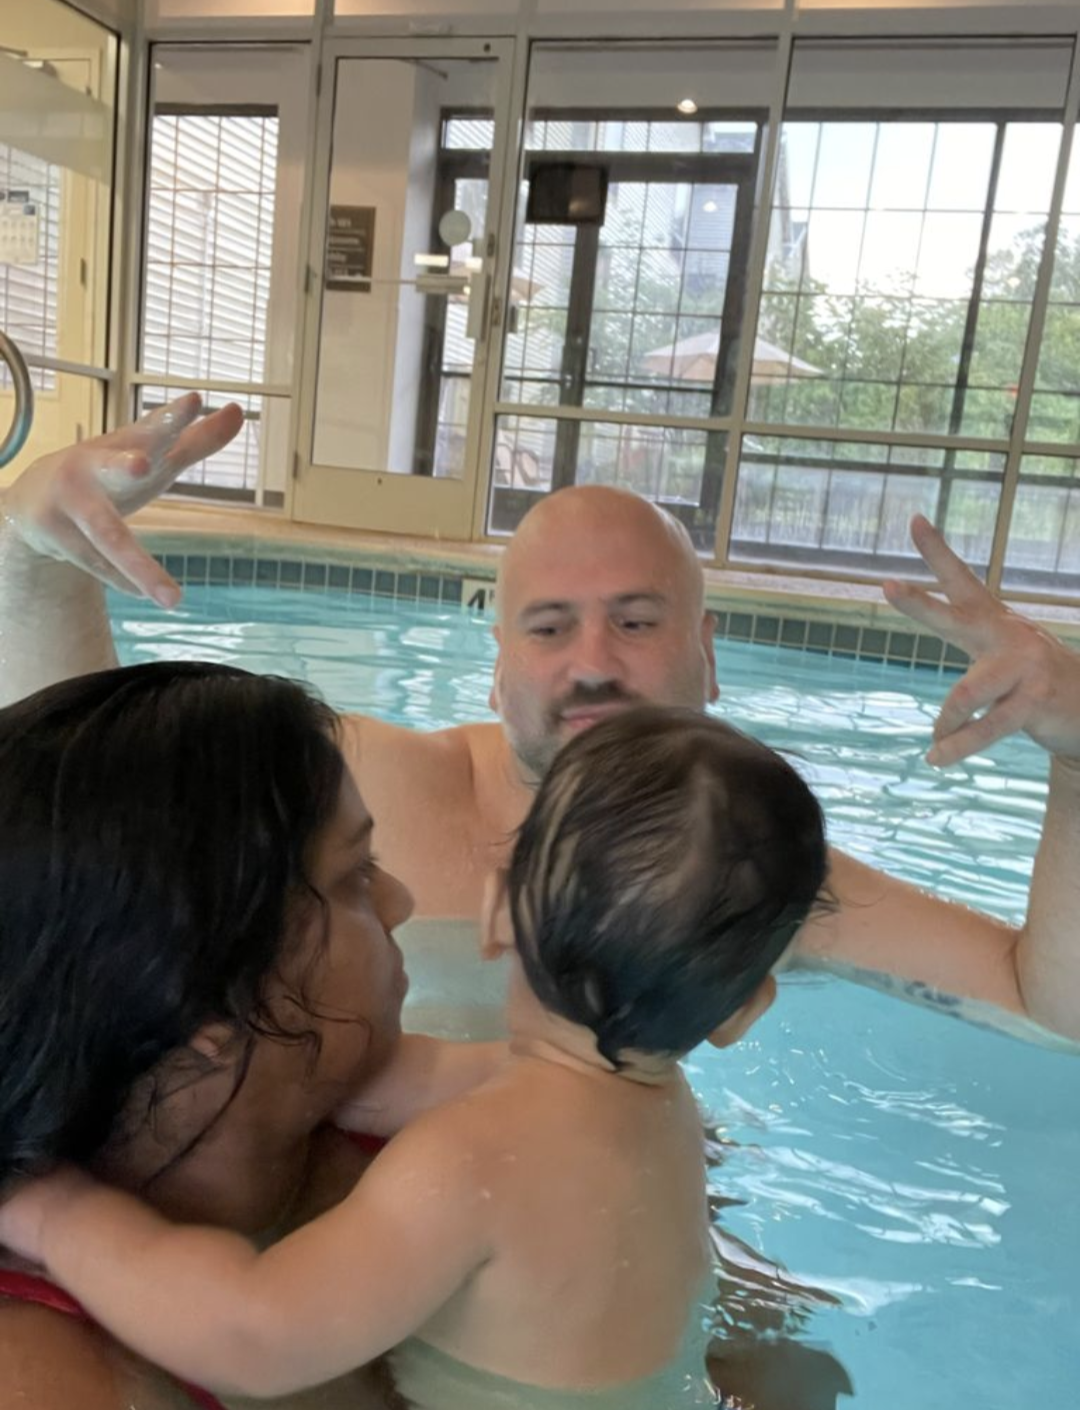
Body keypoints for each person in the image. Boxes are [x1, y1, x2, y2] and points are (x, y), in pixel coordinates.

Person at [2, 394, 1080, 1042]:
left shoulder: (741, 867)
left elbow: (1045, 1008)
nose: (593, 665)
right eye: (551, 628)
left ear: (708, 656)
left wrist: (1078, 760)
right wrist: (30, 559)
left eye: (637, 622)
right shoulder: (363, 792)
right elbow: (84, 826)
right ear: (495, 673)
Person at [0, 704, 830, 1409]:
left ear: (498, 913)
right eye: (358, 876)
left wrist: (61, 1219)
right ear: (741, 1012)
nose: (399, 899)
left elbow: (256, 1333)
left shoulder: (467, 1158)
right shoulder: (664, 1113)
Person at [0, 659, 429, 1410]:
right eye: (356, 876)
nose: (401, 902)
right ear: (205, 1006)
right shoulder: (50, 1377)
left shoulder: (421, 1146)